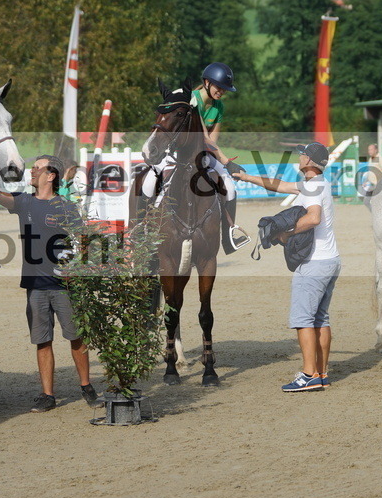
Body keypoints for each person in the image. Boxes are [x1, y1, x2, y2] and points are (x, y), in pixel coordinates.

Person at [0, 154, 101, 411]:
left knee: (76, 338)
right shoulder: (23, 202)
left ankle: (86, 386)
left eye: (37, 168)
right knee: (42, 340)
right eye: (32, 167)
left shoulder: (66, 207)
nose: (32, 171)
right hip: (35, 286)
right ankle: (47, 395)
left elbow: (84, 240)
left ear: (51, 176)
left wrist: (77, 267)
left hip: (64, 287)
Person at [233, 142, 339, 392]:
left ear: (310, 161)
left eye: (303, 154)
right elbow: (279, 185)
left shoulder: (312, 186)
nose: (299, 157)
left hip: (314, 264)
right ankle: (321, 373)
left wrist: (285, 234)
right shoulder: (318, 184)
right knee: (321, 319)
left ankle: (308, 375)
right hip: (331, 259)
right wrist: (245, 176)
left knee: (303, 320)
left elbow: (313, 218)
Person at [141, 62, 249, 252]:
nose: (222, 92)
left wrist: (224, 163)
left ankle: (228, 235)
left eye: (225, 89)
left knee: (230, 188)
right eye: (219, 87)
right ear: (207, 82)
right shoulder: (191, 100)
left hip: (203, 155)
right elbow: (204, 136)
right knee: (149, 183)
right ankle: (141, 230)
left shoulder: (219, 107)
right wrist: (226, 161)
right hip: (176, 153)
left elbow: (212, 140)